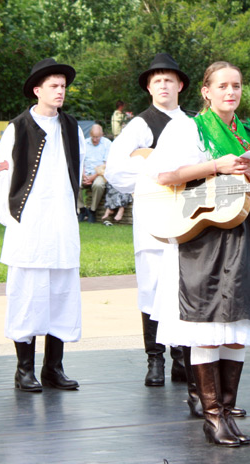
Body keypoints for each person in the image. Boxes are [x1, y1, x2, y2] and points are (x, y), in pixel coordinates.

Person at [145, 61, 250, 447]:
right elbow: (163, 175)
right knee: (207, 326)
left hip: (247, 230)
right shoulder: (188, 127)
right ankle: (212, 417)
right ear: (207, 92)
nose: (231, 92)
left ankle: (228, 412)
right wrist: (216, 165)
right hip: (204, 233)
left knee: (238, 326)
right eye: (223, 86)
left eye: (237, 86)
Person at [0, 57, 86, 392]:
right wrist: (12, 219)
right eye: (54, 86)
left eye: (63, 86)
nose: (60, 91)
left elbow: (78, 171)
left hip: (62, 223)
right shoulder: (17, 127)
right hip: (28, 225)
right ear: (37, 90)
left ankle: (53, 368)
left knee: (61, 295)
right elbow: (1, 179)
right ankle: (24, 370)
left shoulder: (72, 127)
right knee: (28, 296)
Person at [105, 54, 192, 398]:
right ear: (148, 87)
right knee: (152, 286)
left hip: (187, 215)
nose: (163, 85)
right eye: (157, 81)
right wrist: (158, 170)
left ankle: (182, 357)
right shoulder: (140, 125)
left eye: (169, 80)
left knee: (184, 286)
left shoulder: (193, 123)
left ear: (180, 85)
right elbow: (115, 169)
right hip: (153, 215)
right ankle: (154, 358)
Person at [78, 124, 111, 223]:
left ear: (102, 135)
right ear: (90, 135)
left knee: (98, 184)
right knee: (74, 182)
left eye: (97, 137)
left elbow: (106, 164)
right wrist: (83, 174)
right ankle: (82, 209)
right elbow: (81, 160)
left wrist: (92, 177)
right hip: (86, 172)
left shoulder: (107, 144)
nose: (95, 139)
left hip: (100, 173)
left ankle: (92, 210)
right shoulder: (84, 143)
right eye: (93, 137)